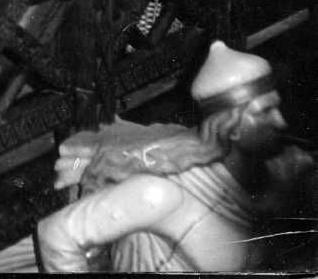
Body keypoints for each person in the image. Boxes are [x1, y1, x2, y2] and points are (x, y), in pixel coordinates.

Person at [35, 39, 311, 273]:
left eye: (276, 109)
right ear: (231, 128)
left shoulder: (283, 170)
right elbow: (56, 234)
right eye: (264, 112)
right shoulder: (161, 193)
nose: (281, 122)